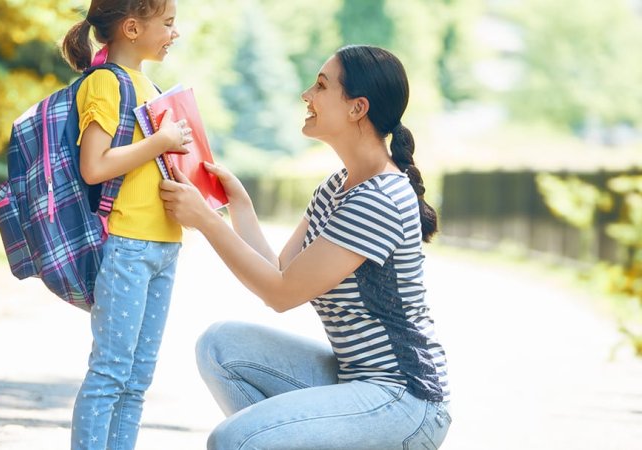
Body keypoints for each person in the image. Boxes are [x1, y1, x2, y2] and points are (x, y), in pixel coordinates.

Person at [160, 45, 452, 450]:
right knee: (220, 346)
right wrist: (237, 206)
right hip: (356, 380)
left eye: (320, 86)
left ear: (357, 108)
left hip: (405, 401)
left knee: (235, 440)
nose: (306, 95)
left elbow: (281, 294)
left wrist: (205, 221)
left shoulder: (380, 198)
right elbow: (280, 270)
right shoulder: (338, 187)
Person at [60, 1, 192, 449]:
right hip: (127, 246)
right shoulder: (105, 83)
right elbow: (94, 166)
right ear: (132, 28)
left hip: (164, 246)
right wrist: (161, 141)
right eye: (169, 23)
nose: (176, 33)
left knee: (137, 379)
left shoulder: (150, 85)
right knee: (111, 372)